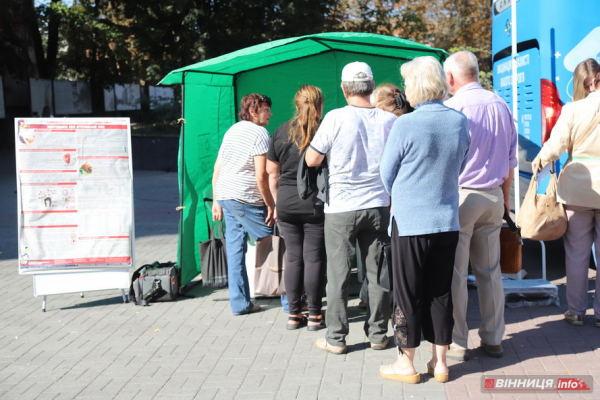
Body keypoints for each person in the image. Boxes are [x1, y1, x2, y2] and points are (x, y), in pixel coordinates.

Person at [379, 56, 470, 384]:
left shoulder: (406, 123)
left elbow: (386, 174)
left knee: (407, 292)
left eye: (407, 83)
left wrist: (405, 193)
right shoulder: (460, 122)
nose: (404, 88)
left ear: (416, 85)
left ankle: (406, 364)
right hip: (446, 219)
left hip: (411, 222)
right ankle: (440, 362)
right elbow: (460, 164)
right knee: (440, 291)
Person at [306, 61, 396, 355]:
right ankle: (379, 335)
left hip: (341, 208)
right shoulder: (388, 120)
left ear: (344, 89)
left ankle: (336, 338)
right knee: (378, 273)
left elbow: (312, 160)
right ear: (370, 88)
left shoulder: (335, 118)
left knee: (339, 275)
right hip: (378, 206)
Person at [443, 50, 517, 360]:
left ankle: (459, 343)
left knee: (457, 274)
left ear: (450, 78)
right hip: (494, 195)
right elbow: (511, 159)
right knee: (490, 272)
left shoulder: (453, 107)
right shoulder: (500, 104)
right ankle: (493, 338)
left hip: (462, 196)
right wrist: (506, 200)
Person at [532, 58, 600, 327]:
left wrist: (539, 161)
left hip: (577, 189)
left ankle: (576, 311)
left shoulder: (573, 109)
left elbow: (555, 144)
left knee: (577, 253)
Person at [266, 85, 326, 330]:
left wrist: (276, 202)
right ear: (320, 104)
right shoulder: (323, 130)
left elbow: (272, 173)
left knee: (292, 257)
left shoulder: (281, 130)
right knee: (313, 258)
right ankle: (314, 315)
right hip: (315, 202)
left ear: (296, 104)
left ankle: (293, 314)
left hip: (287, 202)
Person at [211, 93, 277, 316]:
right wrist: (270, 204)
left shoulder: (233, 130)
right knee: (278, 243)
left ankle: (239, 304)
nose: (270, 114)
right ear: (252, 111)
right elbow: (262, 176)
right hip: (246, 199)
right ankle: (291, 303)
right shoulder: (260, 133)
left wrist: (217, 199)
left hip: (227, 196)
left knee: (235, 250)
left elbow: (217, 168)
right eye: (266, 110)